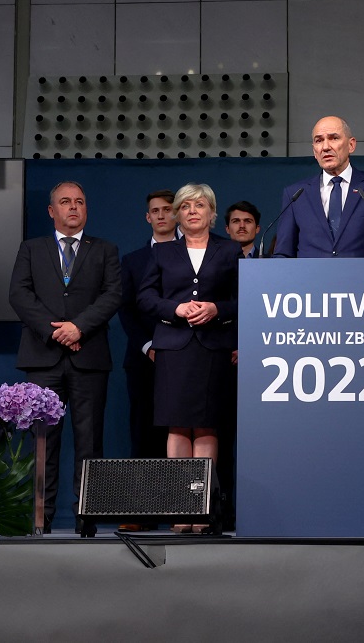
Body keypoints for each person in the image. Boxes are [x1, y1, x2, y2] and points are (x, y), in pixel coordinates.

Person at [8, 180, 122, 537]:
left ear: (86, 209)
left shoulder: (105, 249)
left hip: (89, 359)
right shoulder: (31, 248)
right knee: (42, 442)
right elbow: (19, 294)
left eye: (80, 202)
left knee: (90, 443)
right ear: (51, 211)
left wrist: (79, 328)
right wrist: (56, 330)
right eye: (65, 202)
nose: (73, 207)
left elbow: (112, 294)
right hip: (43, 360)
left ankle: (86, 522)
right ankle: (39, 520)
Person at [137, 183, 241, 533]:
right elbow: (146, 298)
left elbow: (245, 299)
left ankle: (204, 509)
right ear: (177, 215)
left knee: (208, 426)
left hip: (213, 347)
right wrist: (175, 308)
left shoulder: (230, 252)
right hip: (174, 348)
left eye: (200, 205)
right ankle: (182, 508)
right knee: (178, 425)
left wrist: (217, 309)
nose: (193, 211)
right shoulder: (163, 253)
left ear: (212, 214)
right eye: (186, 206)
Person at [116, 189, 177, 531]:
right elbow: (126, 309)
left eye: (168, 210)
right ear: (148, 217)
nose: (162, 215)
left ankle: (185, 511)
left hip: (186, 356)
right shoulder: (133, 260)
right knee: (143, 434)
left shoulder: (194, 254)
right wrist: (149, 344)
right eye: (156, 210)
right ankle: (142, 512)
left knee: (184, 432)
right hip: (144, 359)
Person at [274, 115, 364, 258]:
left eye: (334, 138)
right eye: (319, 141)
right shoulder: (296, 194)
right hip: (311, 280)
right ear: (314, 151)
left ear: (351, 145)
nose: (325, 147)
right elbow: (283, 254)